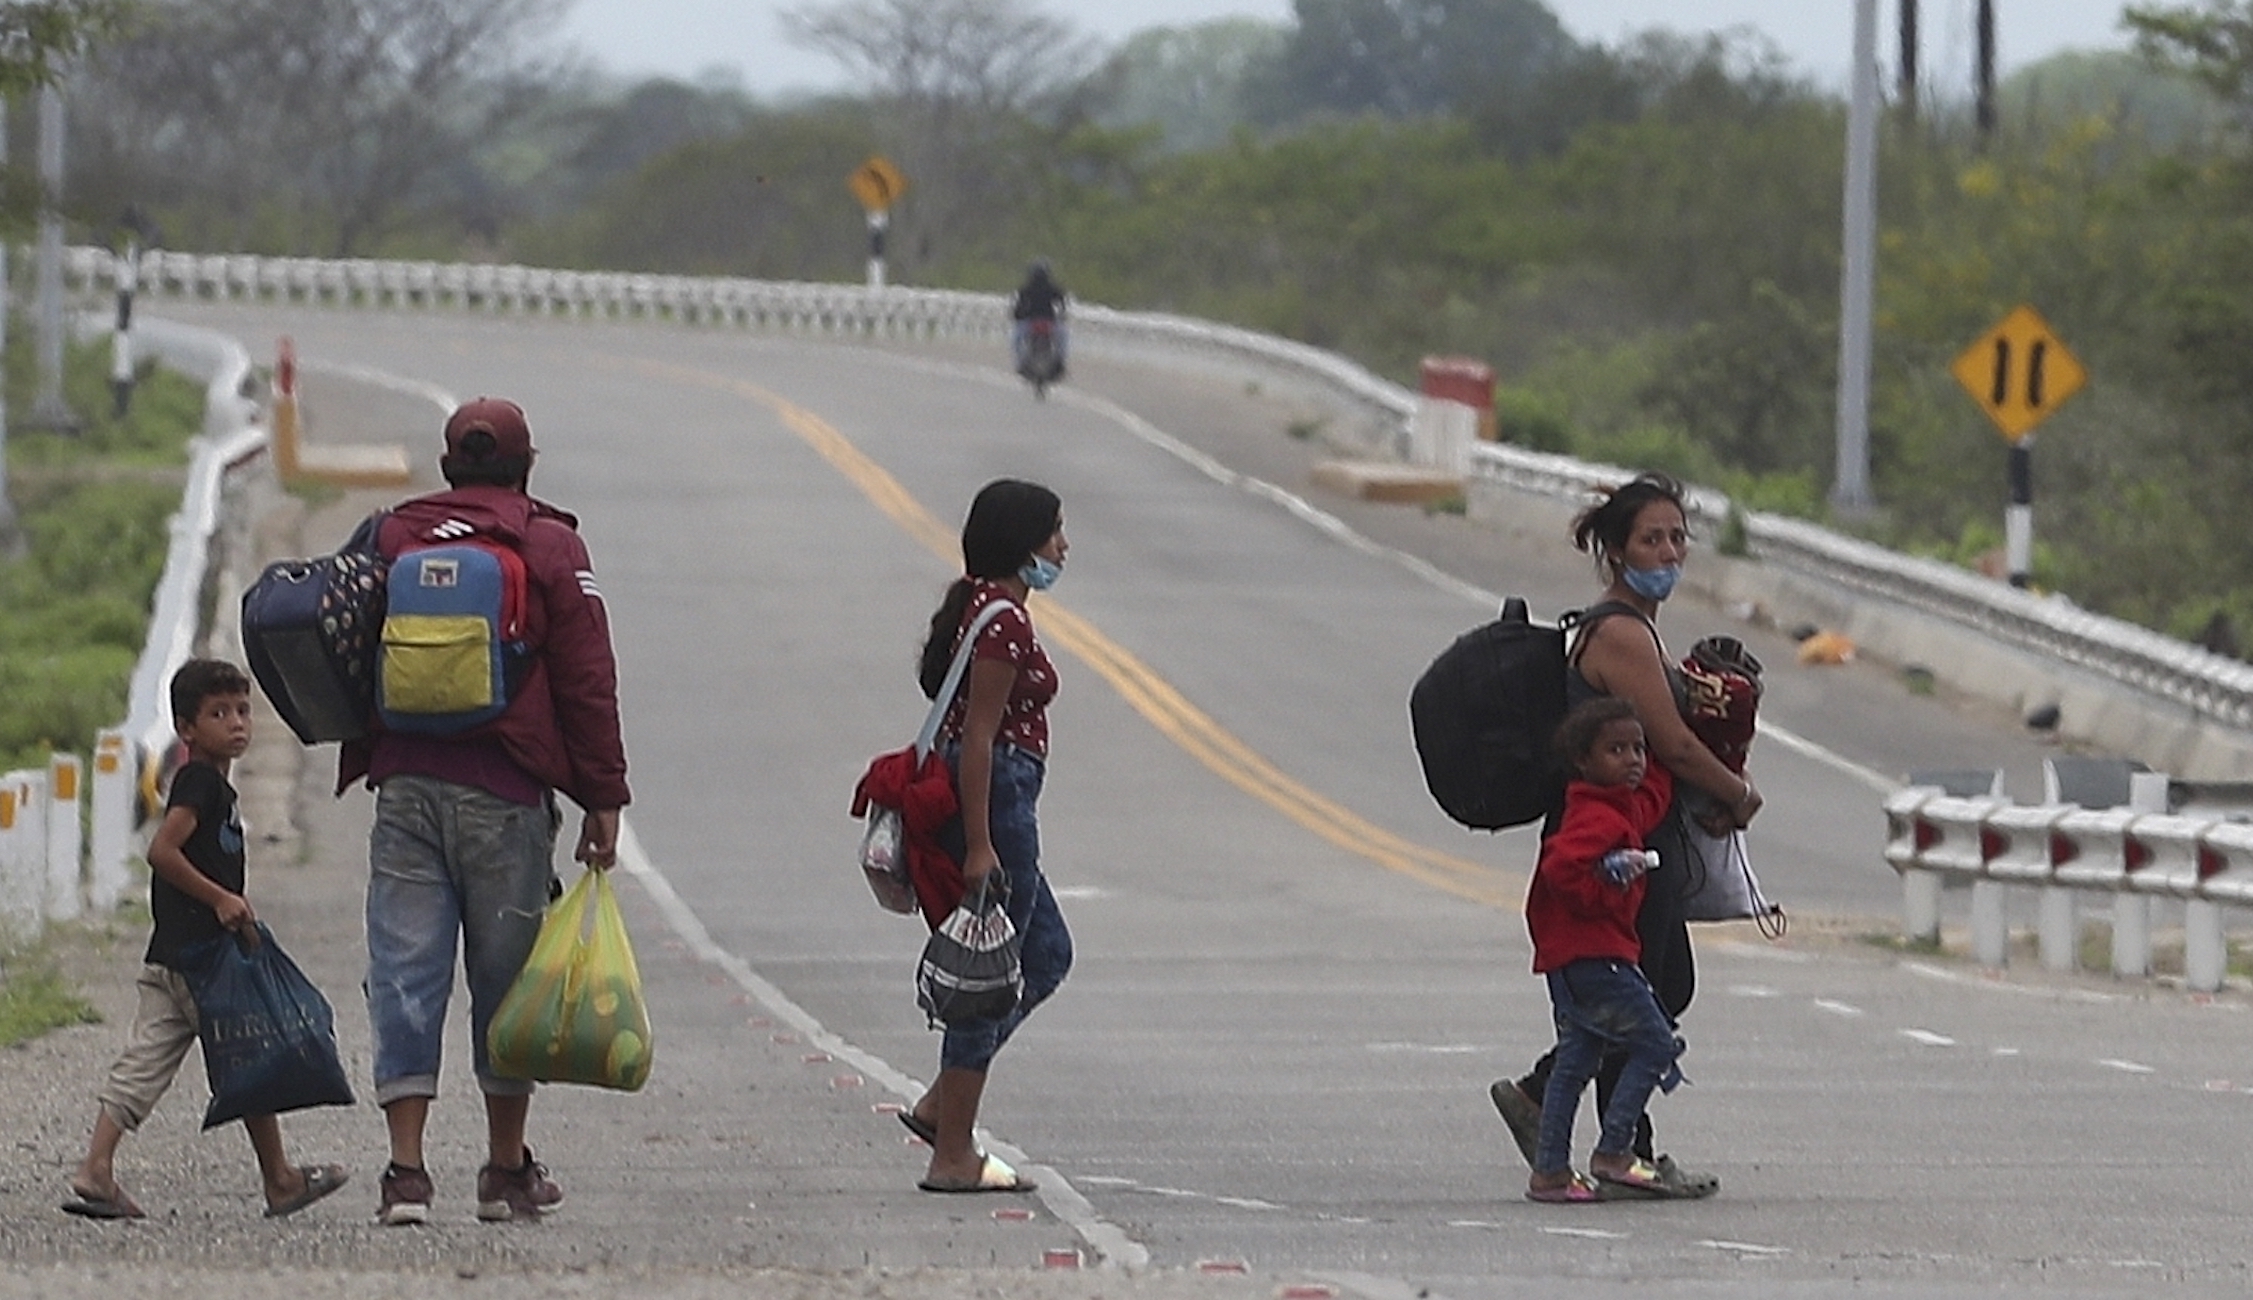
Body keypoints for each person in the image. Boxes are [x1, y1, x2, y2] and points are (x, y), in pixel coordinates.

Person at [336, 396, 631, 1225]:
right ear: (526, 465)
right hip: (504, 797)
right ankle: (503, 1171)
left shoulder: (390, 535)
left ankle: (404, 1175)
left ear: (447, 467)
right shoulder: (547, 543)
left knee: (404, 971)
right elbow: (586, 678)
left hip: (404, 790)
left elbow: (339, 641)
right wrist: (602, 795)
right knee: (505, 982)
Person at [1489, 472, 1759, 1200]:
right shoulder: (1618, 632)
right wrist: (1737, 794)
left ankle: (1552, 1100)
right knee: (1647, 988)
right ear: (1615, 549)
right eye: (1651, 538)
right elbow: (1666, 744)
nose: (1668, 551)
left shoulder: (1630, 627)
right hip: (1618, 841)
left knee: (1653, 985)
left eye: (1677, 537)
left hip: (1634, 830)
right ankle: (1620, 1148)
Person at [64, 659, 350, 1221]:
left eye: (243, 711)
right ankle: (281, 1180)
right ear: (187, 729)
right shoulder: (199, 783)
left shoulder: (216, 782)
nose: (237, 724)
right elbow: (162, 851)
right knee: (255, 1057)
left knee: (146, 1064)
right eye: (219, 714)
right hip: (202, 959)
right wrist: (220, 899)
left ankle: (96, 1168)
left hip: (174, 954)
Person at [897, 478, 1074, 1194]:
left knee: (1046, 953)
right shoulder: (1004, 620)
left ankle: (943, 1103)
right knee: (990, 978)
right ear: (1021, 542)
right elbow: (977, 737)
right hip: (996, 798)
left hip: (999, 794)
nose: (1063, 547)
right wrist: (979, 844)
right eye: (1054, 533)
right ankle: (952, 1153)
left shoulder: (985, 606)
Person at [1523, 698, 1682, 1203]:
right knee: (1656, 1043)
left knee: (1577, 1059)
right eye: (1616, 750)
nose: (1633, 759)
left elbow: (1653, 796)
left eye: (1638, 748)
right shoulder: (1597, 818)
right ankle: (1616, 1151)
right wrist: (1606, 886)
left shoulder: (1619, 807)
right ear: (1583, 761)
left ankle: (1550, 1171)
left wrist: (1665, 757)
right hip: (1596, 956)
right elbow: (1560, 868)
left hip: (1576, 957)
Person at [1010, 260, 1069, 377]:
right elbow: (1061, 302)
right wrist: (1062, 314)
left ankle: (1020, 362)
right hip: (1049, 321)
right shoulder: (1053, 288)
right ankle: (1060, 360)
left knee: (1016, 339)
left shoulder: (1026, 289)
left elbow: (1019, 307)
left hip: (1030, 321)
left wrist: (1017, 315)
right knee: (1063, 337)